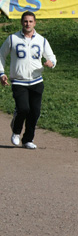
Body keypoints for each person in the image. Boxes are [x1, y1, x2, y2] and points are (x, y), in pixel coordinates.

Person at [0, 11, 57, 149]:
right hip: (19, 81)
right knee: (23, 108)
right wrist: (1, 73)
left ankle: (27, 140)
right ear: (21, 22)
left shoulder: (41, 40)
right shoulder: (12, 39)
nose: (28, 24)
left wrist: (51, 63)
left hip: (37, 81)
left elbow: (52, 56)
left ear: (35, 23)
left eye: (30, 21)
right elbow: (1, 56)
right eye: (25, 21)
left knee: (35, 112)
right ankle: (16, 130)